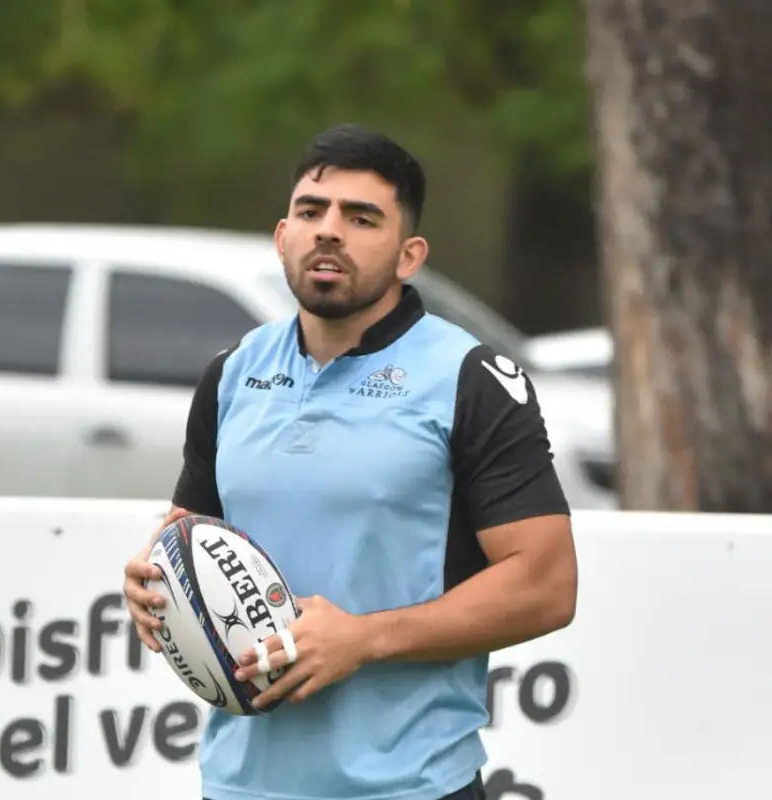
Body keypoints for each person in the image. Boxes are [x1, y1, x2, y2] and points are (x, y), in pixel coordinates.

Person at [122, 123, 578, 800]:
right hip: (241, 785)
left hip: (409, 785)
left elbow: (546, 586)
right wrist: (154, 589)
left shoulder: (469, 377)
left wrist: (364, 639)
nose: (329, 231)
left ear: (408, 254)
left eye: (362, 218)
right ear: (283, 237)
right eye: (312, 212)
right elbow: (190, 537)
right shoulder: (232, 373)